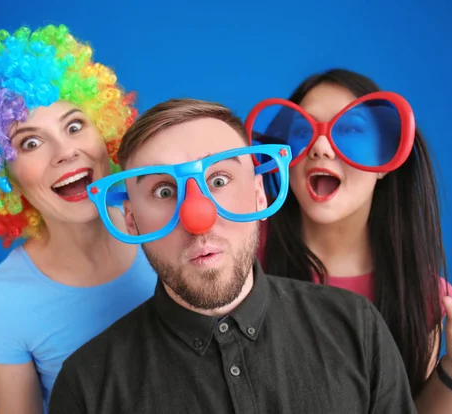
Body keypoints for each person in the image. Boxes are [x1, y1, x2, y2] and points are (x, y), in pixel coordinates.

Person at [48, 98, 417, 413]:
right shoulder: (87, 385)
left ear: (259, 194)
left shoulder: (355, 326)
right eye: (163, 192)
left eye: (219, 181)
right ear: (131, 220)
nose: (198, 218)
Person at [246, 68, 452, 413]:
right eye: (301, 131)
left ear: (387, 158)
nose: (321, 146)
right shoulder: (240, 250)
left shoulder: (419, 295)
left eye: (351, 130)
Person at [0, 24, 157, 413]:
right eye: (30, 143)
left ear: (106, 134)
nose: (65, 151)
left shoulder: (165, 228)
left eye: (74, 125)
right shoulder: (4, 301)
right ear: (4, 178)